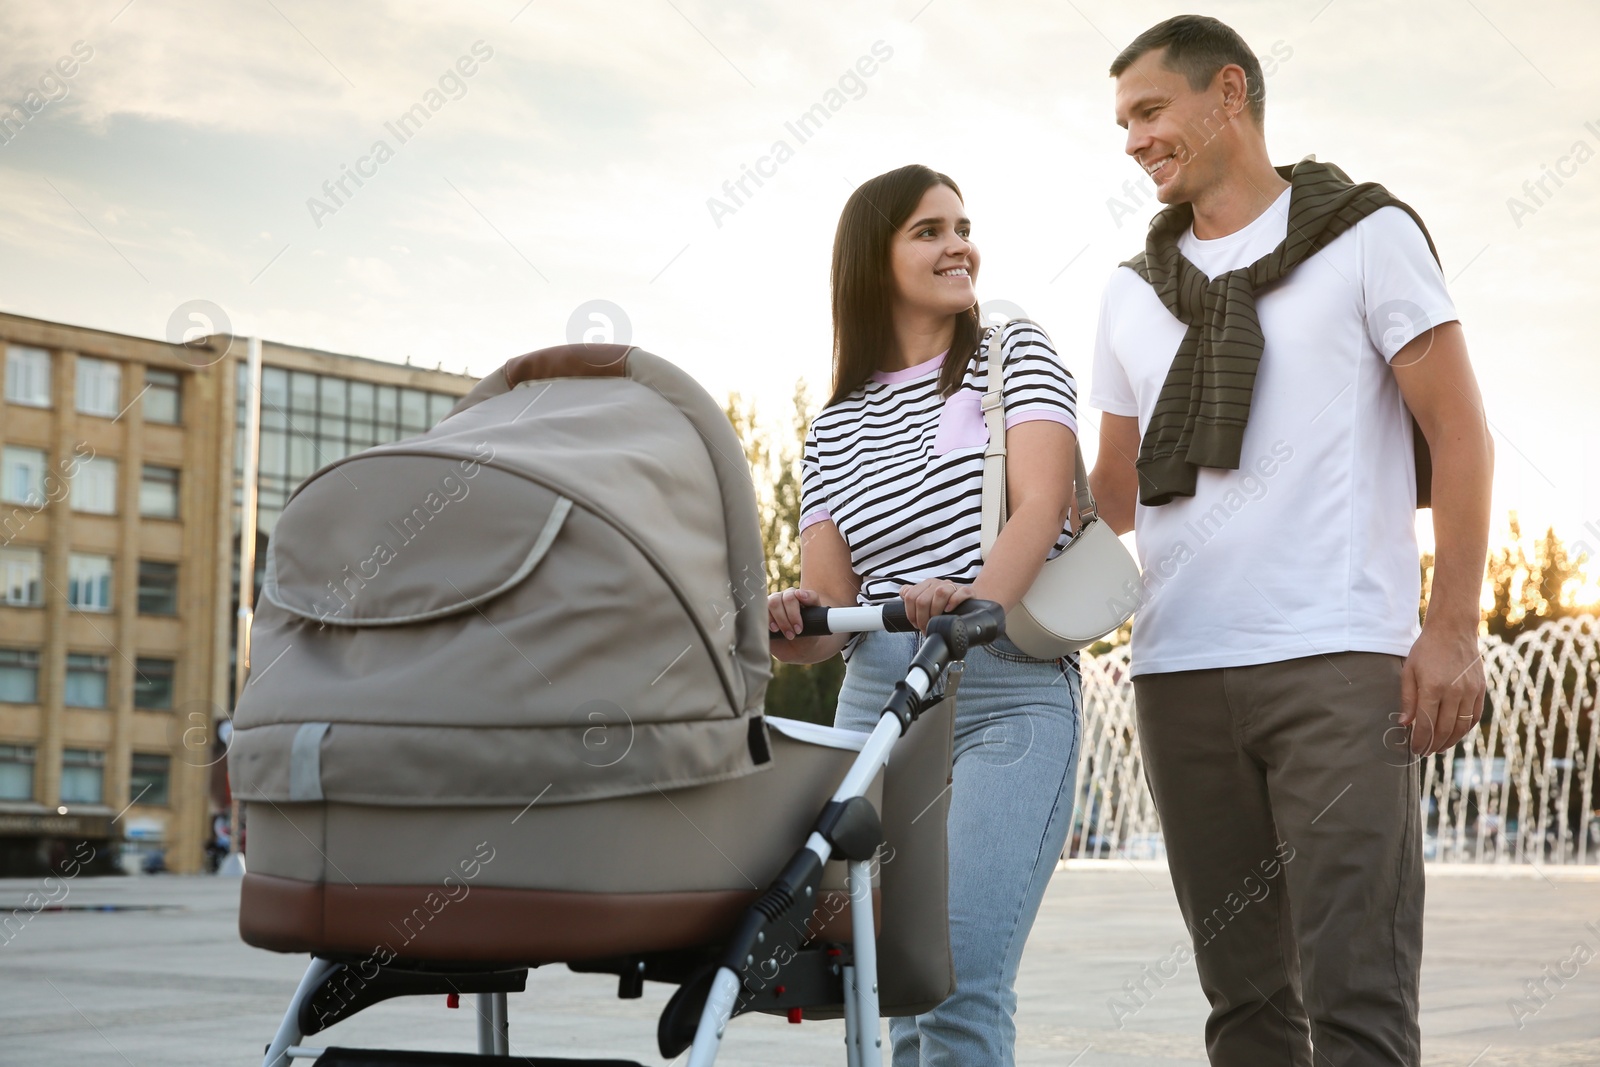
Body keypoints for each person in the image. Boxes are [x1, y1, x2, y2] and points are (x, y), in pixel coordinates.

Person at [1087, 15, 1493, 1067]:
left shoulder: (1367, 236)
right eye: (1121, 121)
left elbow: (1458, 433)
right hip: (1177, 670)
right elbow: (1110, 497)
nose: (1132, 139)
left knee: (1356, 998)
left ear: (1228, 94)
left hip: (1338, 661)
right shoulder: (1130, 293)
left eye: (1149, 110)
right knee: (1245, 1010)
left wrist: (1451, 627)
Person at [768, 163, 1083, 1066]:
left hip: (1006, 691)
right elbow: (829, 620)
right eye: (929, 230)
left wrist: (972, 608)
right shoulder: (832, 425)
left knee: (954, 976)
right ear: (875, 258)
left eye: (962, 226)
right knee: (889, 980)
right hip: (876, 706)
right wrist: (791, 617)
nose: (960, 245)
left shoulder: (1012, 351)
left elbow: (1041, 502)